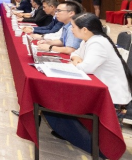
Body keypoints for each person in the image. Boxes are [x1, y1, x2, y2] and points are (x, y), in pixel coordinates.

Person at [45, 13, 132, 152]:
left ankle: (78, 135)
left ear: (84, 29)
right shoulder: (89, 39)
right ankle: (69, 131)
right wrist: (77, 60)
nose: (71, 29)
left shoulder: (98, 43)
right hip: (100, 88)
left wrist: (78, 63)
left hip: (112, 96)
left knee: (56, 99)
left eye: (73, 27)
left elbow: (86, 68)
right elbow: (75, 54)